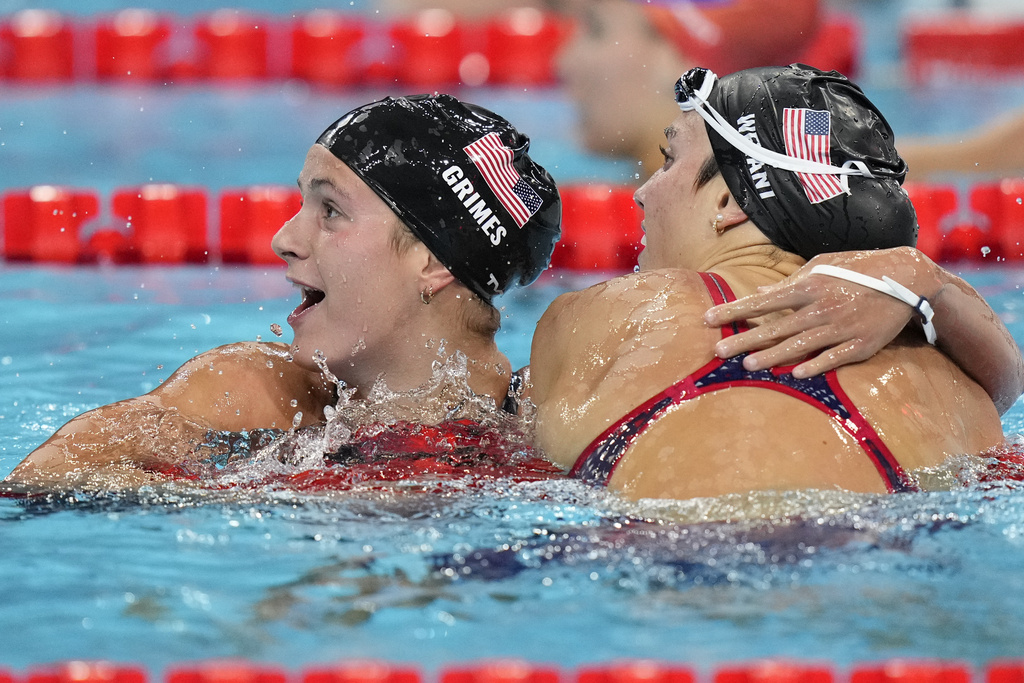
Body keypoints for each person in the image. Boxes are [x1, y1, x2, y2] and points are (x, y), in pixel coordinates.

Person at [1, 94, 562, 493]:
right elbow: (47, 476)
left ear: (433, 260)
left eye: (331, 211)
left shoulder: (550, 419)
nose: (283, 240)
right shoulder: (258, 391)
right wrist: (258, 496)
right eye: (302, 203)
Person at [529, 64, 1023, 501]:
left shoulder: (606, 315)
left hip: (680, 555)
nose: (641, 193)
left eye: (668, 159)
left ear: (729, 204)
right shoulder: (955, 392)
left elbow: (499, 449)